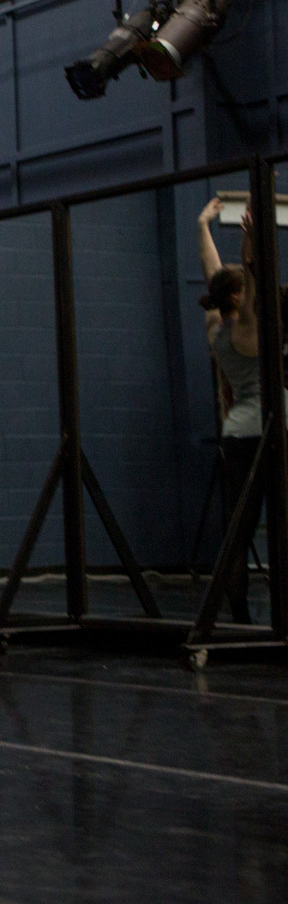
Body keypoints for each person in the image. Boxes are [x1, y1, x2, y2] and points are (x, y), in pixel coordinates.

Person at [197, 195, 277, 618]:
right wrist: (250, 240)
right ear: (238, 296)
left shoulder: (216, 326)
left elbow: (216, 274)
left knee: (239, 526)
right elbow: (247, 273)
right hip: (265, 433)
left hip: (237, 436)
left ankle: (240, 610)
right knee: (273, 523)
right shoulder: (247, 326)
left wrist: (203, 227)